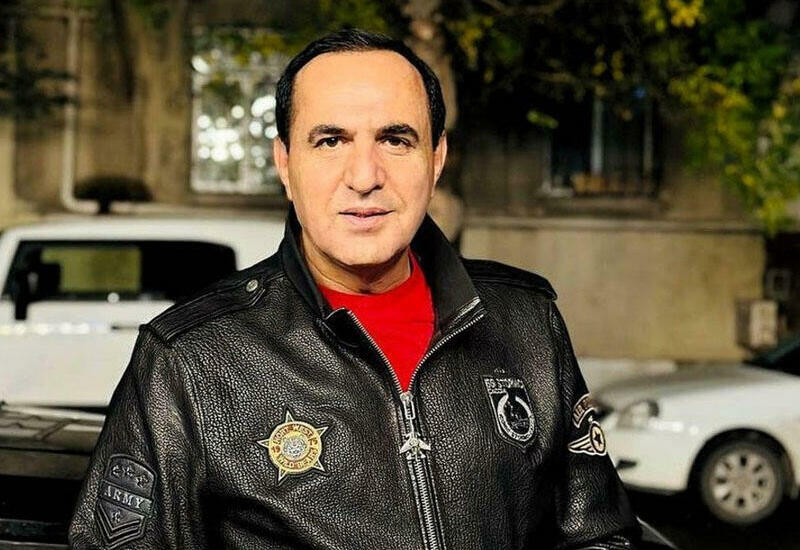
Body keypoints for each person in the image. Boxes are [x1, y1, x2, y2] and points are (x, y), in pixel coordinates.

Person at [68, 28, 641, 549]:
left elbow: (602, 537)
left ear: (436, 159)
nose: (365, 176)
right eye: (330, 141)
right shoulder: (188, 359)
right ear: (285, 163)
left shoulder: (526, 321)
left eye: (395, 140)